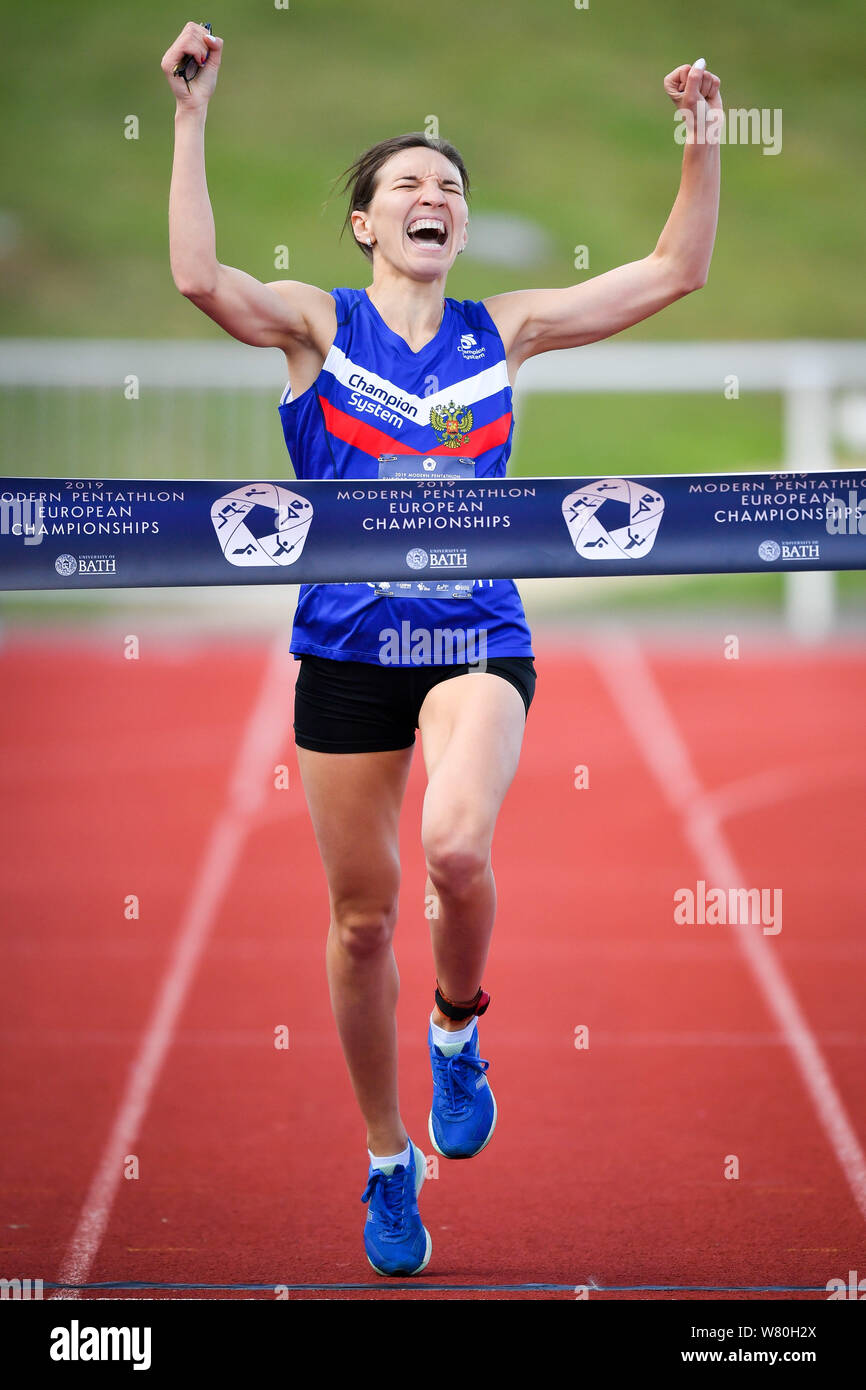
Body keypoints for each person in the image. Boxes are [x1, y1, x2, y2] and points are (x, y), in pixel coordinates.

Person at [161, 22, 721, 1277]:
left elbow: (672, 271)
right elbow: (202, 278)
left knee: (455, 847)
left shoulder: (506, 327)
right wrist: (191, 117)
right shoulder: (315, 325)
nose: (433, 196)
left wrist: (698, 137)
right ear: (365, 222)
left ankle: (459, 1030)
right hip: (346, 646)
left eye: (450, 187)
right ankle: (384, 1159)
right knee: (361, 923)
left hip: (475, 632)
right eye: (407, 184)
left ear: (460, 231)